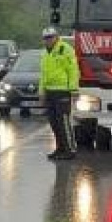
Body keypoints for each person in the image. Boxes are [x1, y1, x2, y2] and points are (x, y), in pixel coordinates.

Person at [39, 26, 79, 160]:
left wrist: (73, 89)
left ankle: (70, 149)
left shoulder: (65, 49)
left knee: (63, 122)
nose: (48, 40)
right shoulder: (45, 53)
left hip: (62, 91)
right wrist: (42, 92)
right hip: (50, 91)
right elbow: (43, 75)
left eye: (50, 37)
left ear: (56, 37)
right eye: (45, 38)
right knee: (54, 122)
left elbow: (73, 70)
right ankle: (60, 148)